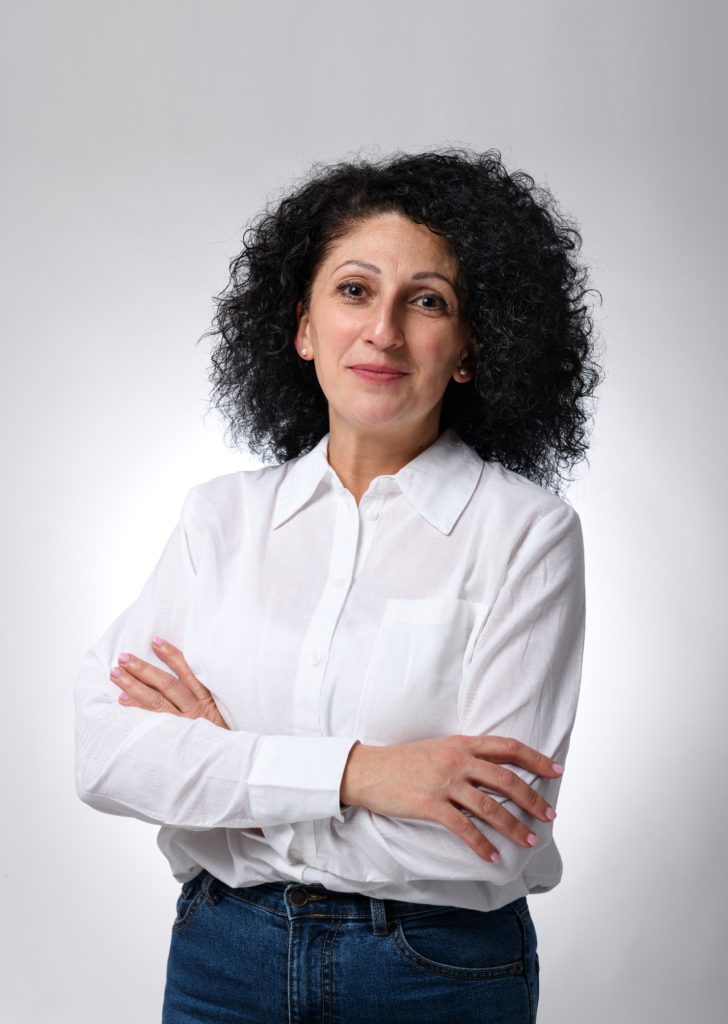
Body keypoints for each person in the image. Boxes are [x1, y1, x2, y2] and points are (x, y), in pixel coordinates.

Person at [74, 147, 602, 1023]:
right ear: (304, 329)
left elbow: (490, 842)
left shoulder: (527, 534)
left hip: (432, 972)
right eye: (355, 290)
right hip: (221, 961)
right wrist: (363, 773)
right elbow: (104, 753)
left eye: (427, 302)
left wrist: (227, 780)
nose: (383, 331)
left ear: (470, 349)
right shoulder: (220, 520)